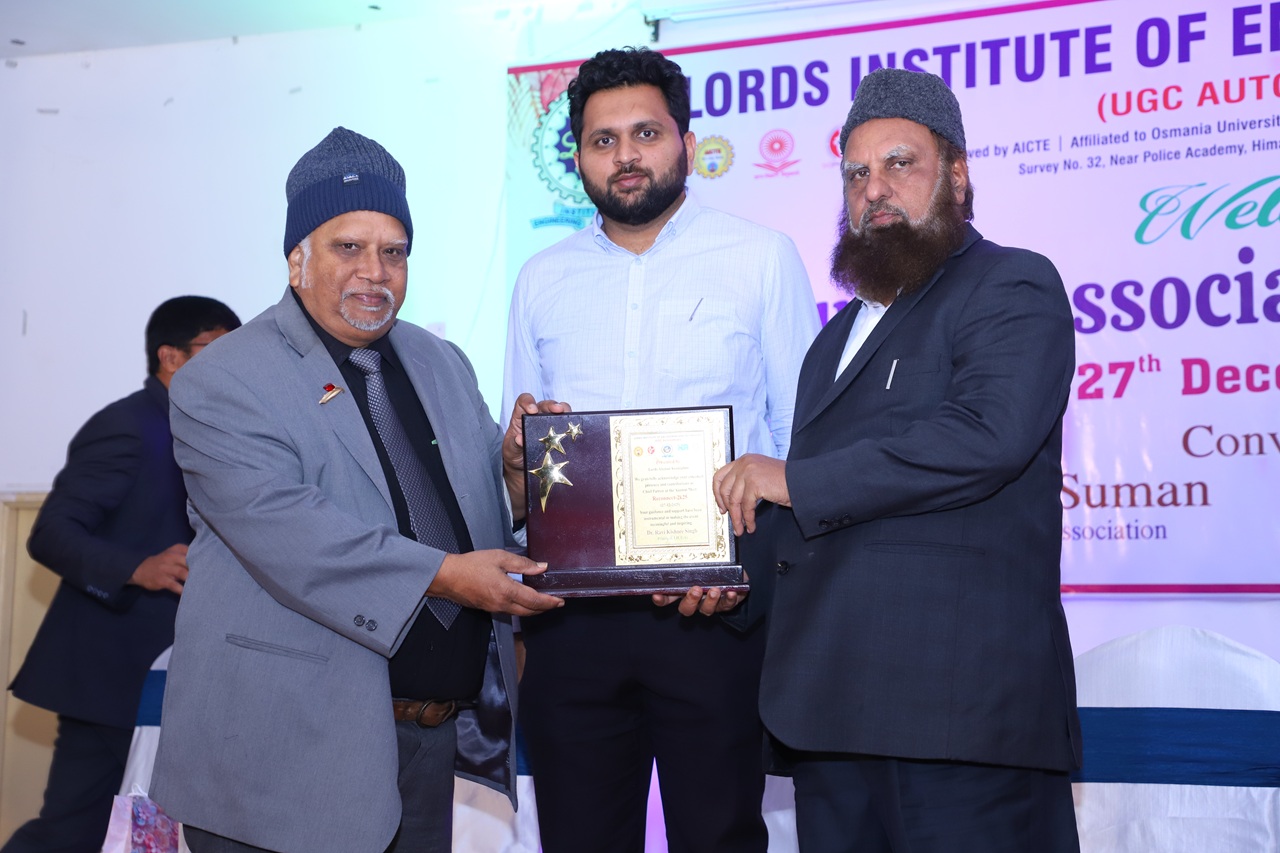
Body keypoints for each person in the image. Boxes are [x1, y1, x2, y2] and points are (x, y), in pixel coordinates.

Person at [148, 127, 565, 853]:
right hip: (281, 755)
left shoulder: (441, 360)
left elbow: (474, 517)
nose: (375, 272)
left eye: (394, 252)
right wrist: (446, 577)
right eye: (349, 247)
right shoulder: (224, 378)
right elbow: (290, 530)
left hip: (428, 742)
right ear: (297, 258)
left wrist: (519, 476)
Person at [709, 67, 1081, 853]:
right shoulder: (831, 342)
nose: (873, 188)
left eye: (899, 164)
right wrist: (724, 579)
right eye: (855, 173)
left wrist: (792, 477)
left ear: (958, 175)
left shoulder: (1010, 283)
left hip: (960, 720)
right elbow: (814, 521)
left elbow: (986, 437)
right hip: (832, 717)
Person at [504, 47, 819, 853]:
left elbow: (803, 442)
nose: (626, 155)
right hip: (571, 622)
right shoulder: (540, 279)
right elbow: (523, 455)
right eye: (602, 140)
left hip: (714, 615)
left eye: (645, 133)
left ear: (685, 139)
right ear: (577, 156)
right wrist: (515, 458)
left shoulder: (761, 256)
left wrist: (752, 574)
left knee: (718, 836)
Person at [3, 296, 240, 853]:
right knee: (73, 832)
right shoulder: (128, 426)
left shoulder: (212, 429)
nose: (232, 367)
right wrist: (137, 568)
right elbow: (51, 533)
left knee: (150, 835)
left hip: (179, 678)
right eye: (216, 351)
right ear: (171, 357)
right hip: (111, 676)